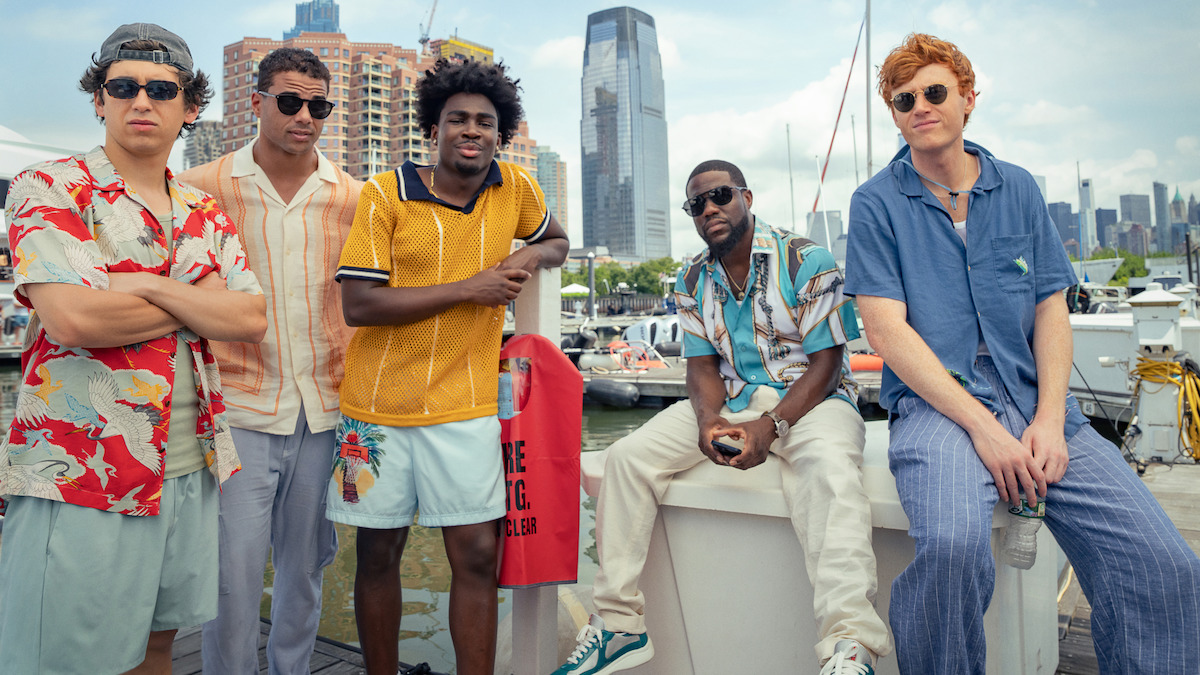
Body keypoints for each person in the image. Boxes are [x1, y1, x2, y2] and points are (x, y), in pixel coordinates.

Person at [845, 33, 1200, 674]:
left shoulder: (1019, 189)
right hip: (939, 407)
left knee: (1165, 563)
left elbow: (1049, 309)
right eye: (903, 100)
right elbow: (887, 333)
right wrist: (983, 428)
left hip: (1037, 398)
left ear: (968, 98)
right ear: (894, 115)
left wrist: (1048, 422)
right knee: (953, 550)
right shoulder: (875, 204)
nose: (919, 107)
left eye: (933, 92)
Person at [555, 159, 892, 675]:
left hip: (812, 401)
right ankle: (620, 625)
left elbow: (827, 365)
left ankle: (849, 645)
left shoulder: (806, 260)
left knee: (829, 473)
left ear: (746, 197)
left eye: (720, 196)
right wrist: (708, 419)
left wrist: (773, 425)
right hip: (734, 397)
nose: (710, 209)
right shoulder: (692, 276)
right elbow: (701, 367)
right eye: (697, 204)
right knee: (625, 458)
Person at [0, 23, 266, 674]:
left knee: (156, 644)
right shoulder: (50, 187)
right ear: (99, 99)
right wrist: (191, 297)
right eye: (123, 86)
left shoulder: (205, 211)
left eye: (160, 88)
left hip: (190, 468)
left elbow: (251, 315)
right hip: (83, 473)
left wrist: (140, 283)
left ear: (190, 106)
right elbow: (73, 318)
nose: (141, 100)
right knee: (64, 657)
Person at [327, 58, 568, 675]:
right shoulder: (385, 193)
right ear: (433, 128)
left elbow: (558, 239)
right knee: (379, 554)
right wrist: (473, 287)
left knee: (477, 556)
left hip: (465, 406)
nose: (472, 130)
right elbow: (359, 304)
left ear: (500, 132)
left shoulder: (516, 188)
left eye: (485, 122)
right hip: (376, 410)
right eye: (457, 119)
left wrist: (531, 256)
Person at [180, 47, 361, 674]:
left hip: (324, 409)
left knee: (307, 568)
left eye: (319, 105)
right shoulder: (202, 188)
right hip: (237, 408)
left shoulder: (353, 198)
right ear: (256, 103)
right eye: (289, 101)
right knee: (230, 577)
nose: (304, 116)